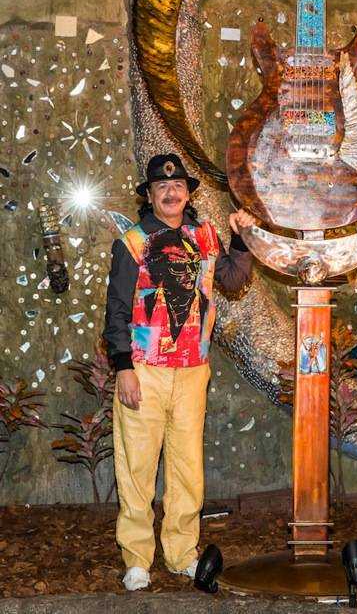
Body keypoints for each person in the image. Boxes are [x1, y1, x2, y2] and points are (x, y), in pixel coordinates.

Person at [104, 153, 255, 591]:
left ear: (188, 193)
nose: (171, 193)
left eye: (178, 186)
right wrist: (123, 367)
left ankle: (182, 553)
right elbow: (116, 309)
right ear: (150, 195)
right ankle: (137, 559)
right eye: (162, 187)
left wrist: (240, 239)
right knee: (137, 468)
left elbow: (231, 280)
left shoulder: (204, 235)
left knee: (188, 469)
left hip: (192, 370)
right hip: (144, 370)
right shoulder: (133, 242)